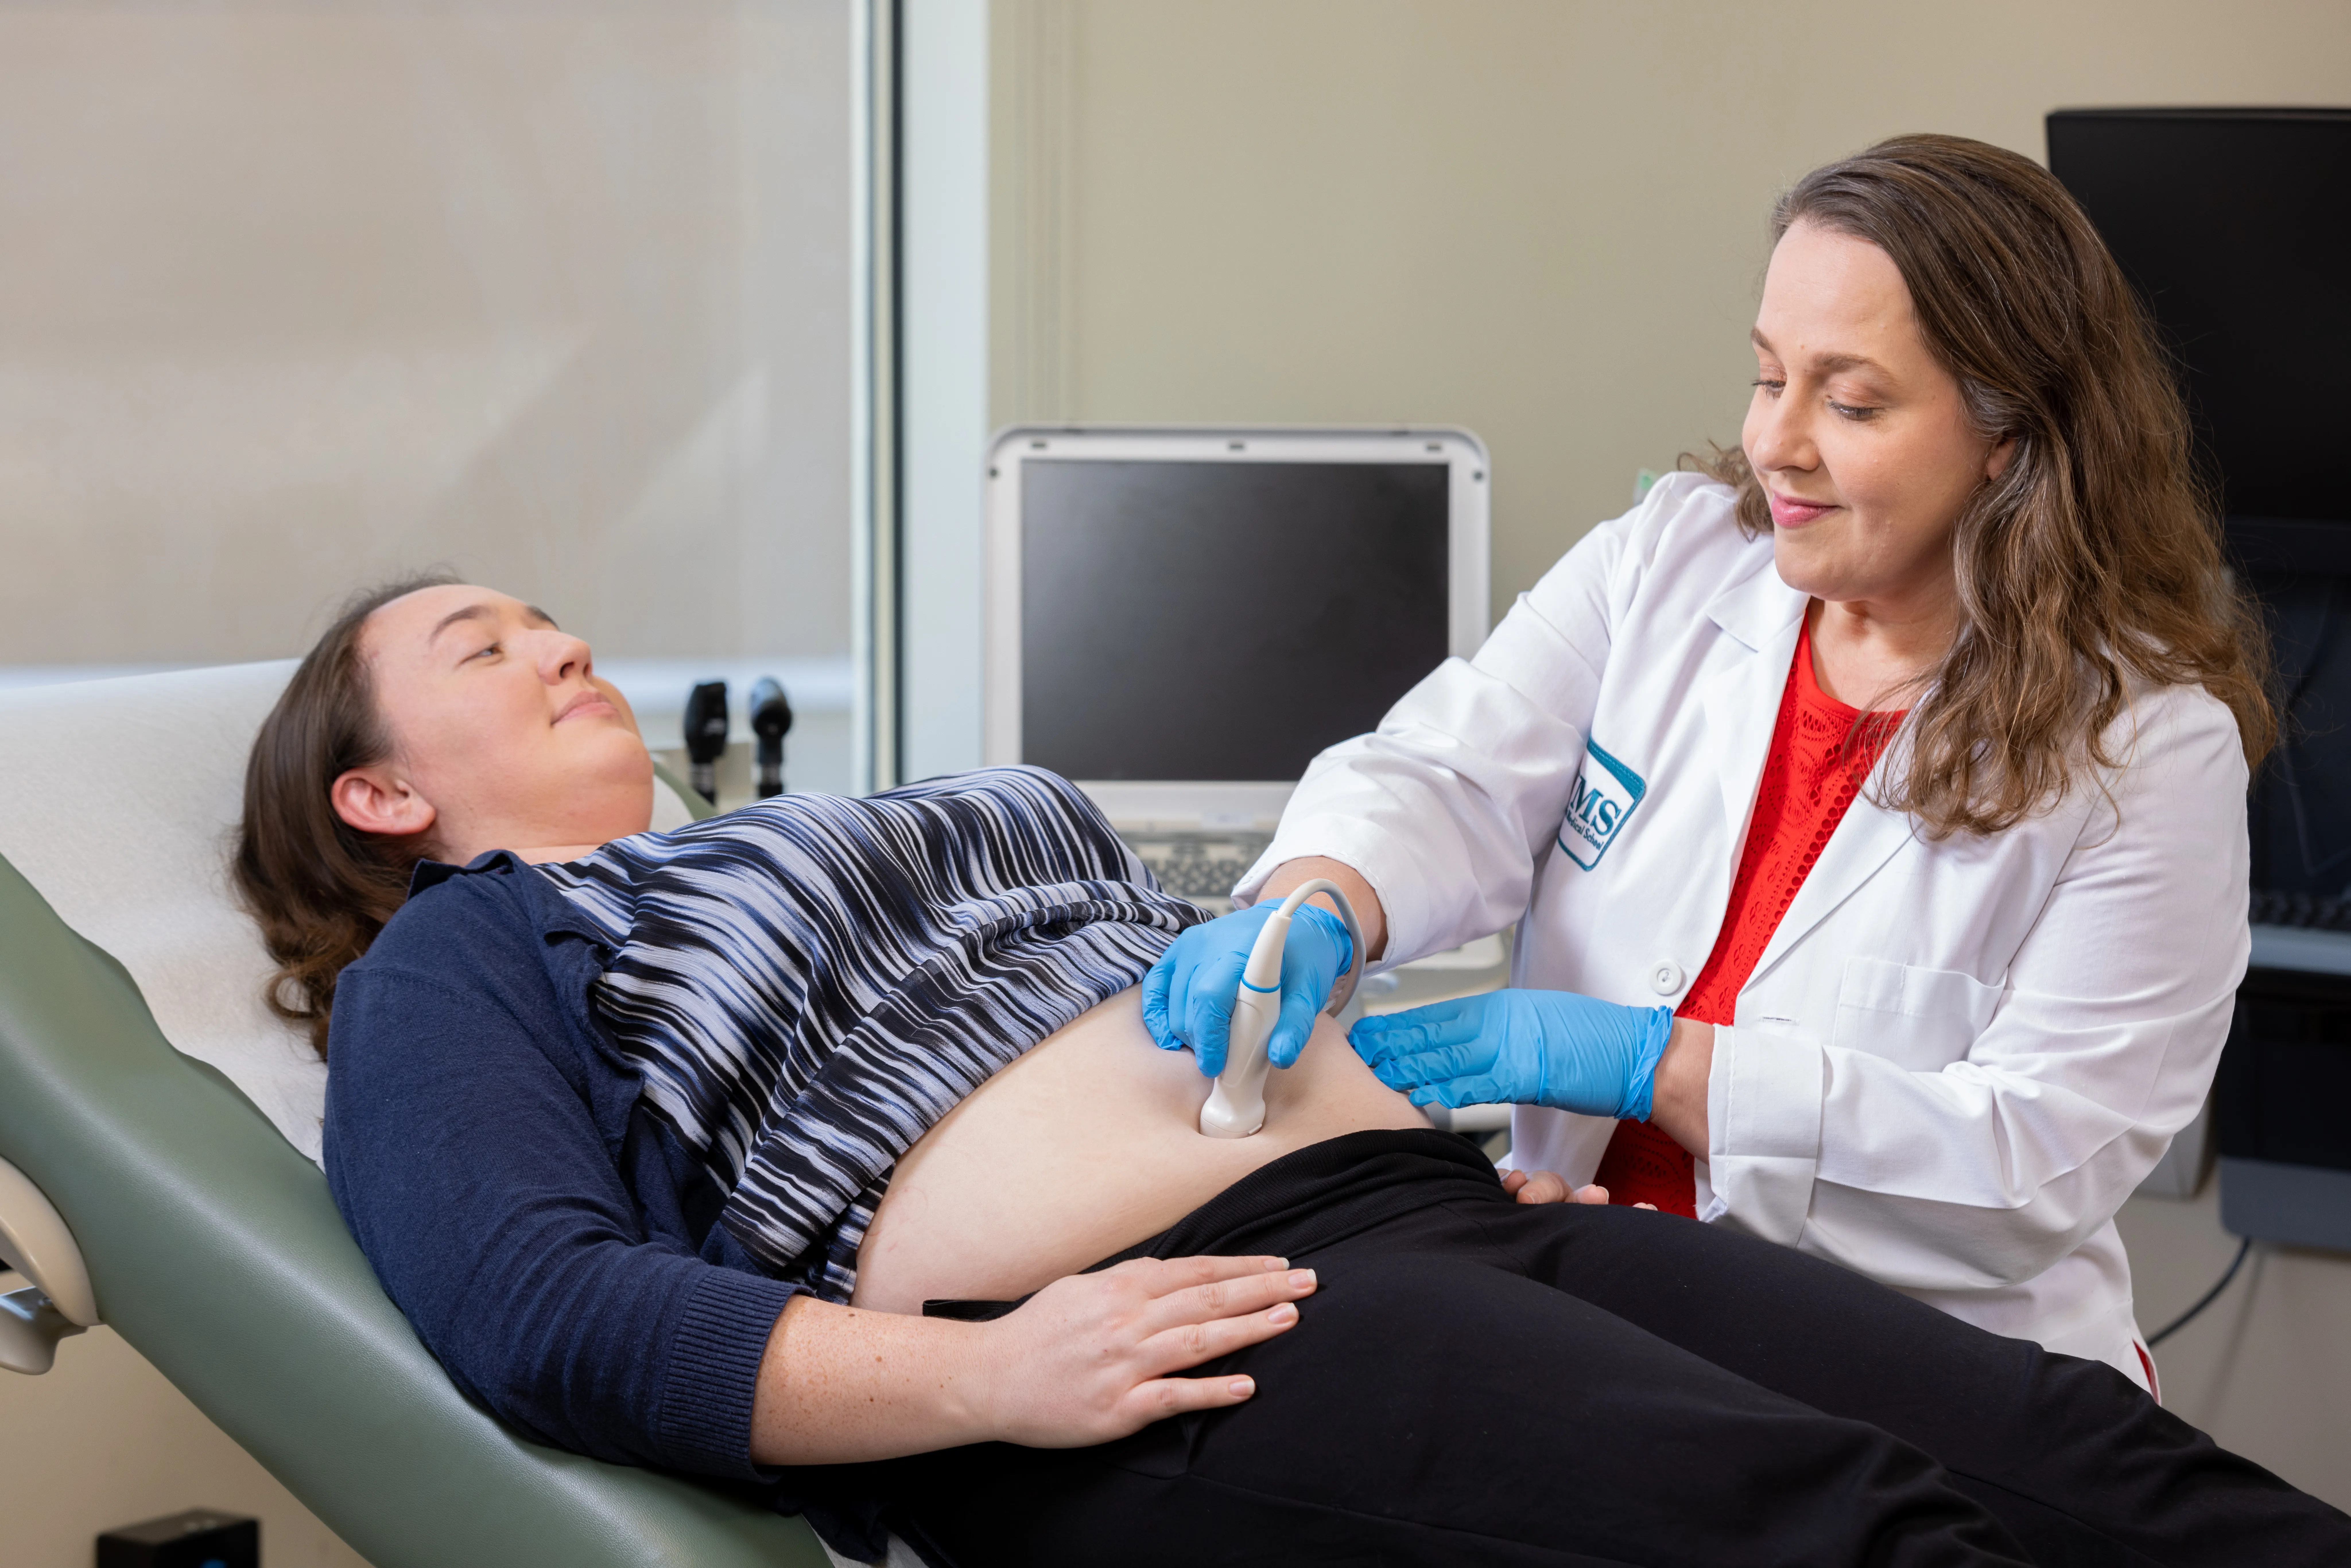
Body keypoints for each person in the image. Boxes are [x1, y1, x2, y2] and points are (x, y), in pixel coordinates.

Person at [232, 577, 2351, 1567]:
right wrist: (987, 1382)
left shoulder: (865, 818)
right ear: (386, 791)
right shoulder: (475, 957)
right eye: (482, 644)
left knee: (2084, 1469)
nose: (557, 637)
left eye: (541, 610)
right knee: (1847, 1536)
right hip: (1161, 1350)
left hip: (1438, 1215)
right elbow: (534, 1307)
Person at [1148, 133, 2266, 1395]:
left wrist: (1652, 1066)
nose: (1775, 443)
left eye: (1849, 403)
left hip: (1921, 1376)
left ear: (2009, 436)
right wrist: (1323, 894)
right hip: (1596, 1303)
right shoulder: (1671, 560)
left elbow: (2029, 1168)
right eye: (1764, 376)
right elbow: (1449, 772)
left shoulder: (2142, 747)